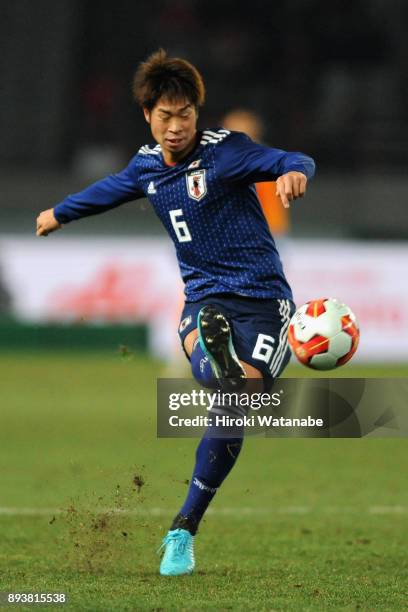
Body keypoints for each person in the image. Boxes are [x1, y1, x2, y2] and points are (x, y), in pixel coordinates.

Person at [36, 49, 315, 576]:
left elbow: (290, 159)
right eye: (165, 115)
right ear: (148, 115)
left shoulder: (226, 152)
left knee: (235, 401)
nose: (175, 126)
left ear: (196, 113)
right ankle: (185, 525)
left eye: (184, 114)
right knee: (234, 393)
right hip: (204, 300)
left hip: (265, 306)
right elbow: (106, 192)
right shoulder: (146, 168)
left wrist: (296, 173)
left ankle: (183, 524)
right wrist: (59, 213)